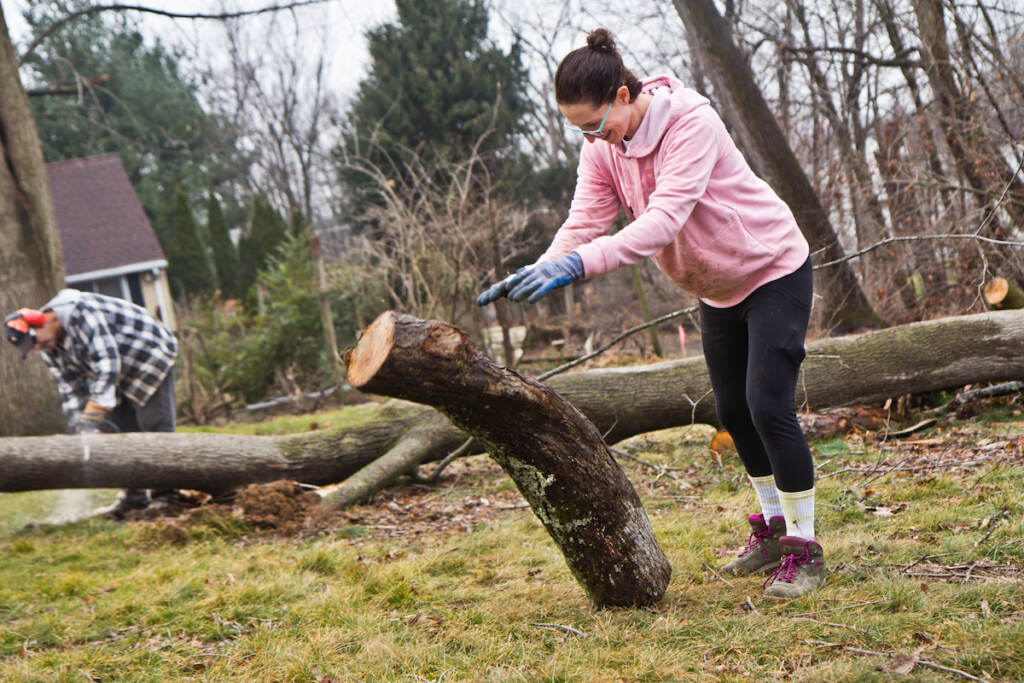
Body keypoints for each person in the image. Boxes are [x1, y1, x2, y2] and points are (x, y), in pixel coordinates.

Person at [477, 29, 822, 598]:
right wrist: (540, 267)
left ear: (621, 94)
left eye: (596, 123)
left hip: (772, 271)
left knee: (768, 408)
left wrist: (580, 266)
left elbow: (663, 220)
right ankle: (772, 531)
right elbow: (585, 221)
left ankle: (805, 551)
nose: (593, 138)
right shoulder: (602, 149)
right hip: (717, 290)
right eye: (581, 131)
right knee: (734, 413)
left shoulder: (690, 122)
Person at [4, 288, 179, 516]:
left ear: (43, 320)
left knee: (155, 426)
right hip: (114, 374)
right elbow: (70, 389)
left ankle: (166, 497)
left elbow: (108, 362)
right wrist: (82, 425)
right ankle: (134, 498)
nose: (37, 348)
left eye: (34, 341)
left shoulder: (79, 311)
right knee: (120, 434)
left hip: (148, 355)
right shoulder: (49, 347)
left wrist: (94, 413)